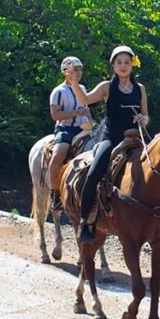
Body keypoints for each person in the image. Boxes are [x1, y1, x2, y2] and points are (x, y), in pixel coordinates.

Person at [67, 46, 150, 243]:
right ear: (113, 65)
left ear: (132, 65)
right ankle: (85, 221)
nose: (123, 66)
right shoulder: (106, 87)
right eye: (119, 62)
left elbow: (146, 115)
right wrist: (74, 83)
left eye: (127, 63)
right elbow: (85, 100)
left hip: (135, 137)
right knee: (94, 173)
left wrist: (143, 118)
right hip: (112, 137)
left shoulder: (140, 89)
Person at [48, 56, 91, 209]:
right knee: (57, 156)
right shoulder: (58, 91)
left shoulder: (83, 89)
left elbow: (86, 110)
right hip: (65, 129)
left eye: (80, 70)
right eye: (74, 70)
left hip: (83, 129)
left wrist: (90, 120)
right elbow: (55, 115)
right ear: (65, 72)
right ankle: (55, 193)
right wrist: (77, 112)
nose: (78, 73)